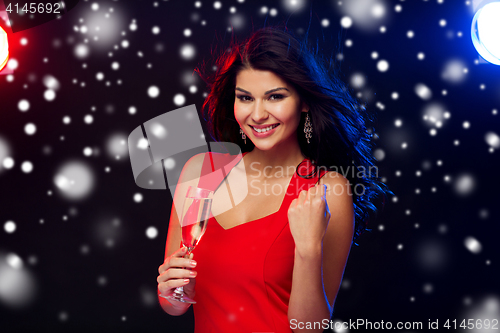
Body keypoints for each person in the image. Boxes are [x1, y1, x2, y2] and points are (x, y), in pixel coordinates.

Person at [157, 26, 392, 332]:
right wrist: (173, 292)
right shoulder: (199, 171)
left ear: (303, 102)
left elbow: (309, 328)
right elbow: (173, 304)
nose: (257, 114)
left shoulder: (327, 189)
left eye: (275, 97)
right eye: (245, 98)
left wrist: (308, 249)